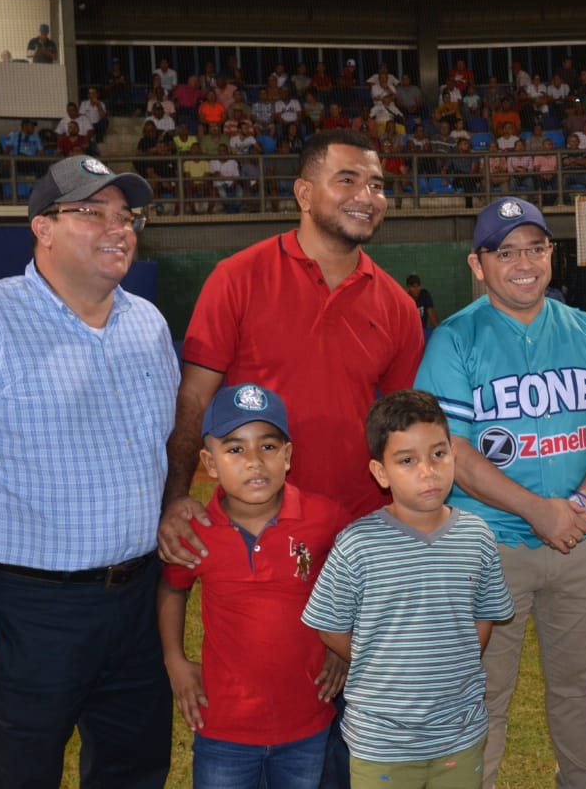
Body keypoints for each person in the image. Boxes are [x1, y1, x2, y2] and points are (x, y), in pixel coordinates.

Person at [158, 129, 425, 787]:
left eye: (378, 184)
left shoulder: (395, 304)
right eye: (348, 180)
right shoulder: (238, 277)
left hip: (354, 544)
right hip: (255, 529)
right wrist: (173, 498)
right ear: (303, 192)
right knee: (263, 689)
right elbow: (194, 400)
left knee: (346, 741)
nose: (368, 196)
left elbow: (404, 437)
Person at [0, 155, 177, 787]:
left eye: (126, 215)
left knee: (134, 771)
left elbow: (155, 446)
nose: (119, 228)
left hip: (135, 601)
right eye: (92, 212)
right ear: (43, 228)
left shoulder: (148, 324)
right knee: (20, 774)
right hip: (27, 608)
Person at [413, 196, 586, 789]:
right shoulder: (453, 339)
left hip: (578, 540)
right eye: (505, 251)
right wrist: (537, 510)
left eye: (534, 248)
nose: (523, 262)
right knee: (483, 694)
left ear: (551, 253)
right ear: (477, 264)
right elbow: (452, 453)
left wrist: (584, 503)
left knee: (576, 689)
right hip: (489, 547)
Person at [302, 389, 515, 789]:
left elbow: (485, 613)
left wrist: (456, 653)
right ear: (380, 473)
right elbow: (329, 626)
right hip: (381, 744)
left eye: (438, 454)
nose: (427, 471)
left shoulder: (477, 537)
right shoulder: (357, 544)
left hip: (459, 735)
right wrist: (378, 659)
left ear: (453, 452)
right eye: (407, 460)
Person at [158, 383, 345, 789]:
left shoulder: (324, 519)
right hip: (224, 728)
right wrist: (175, 660)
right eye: (235, 449)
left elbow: (356, 585)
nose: (254, 462)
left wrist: (343, 649)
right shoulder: (195, 532)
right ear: (209, 462)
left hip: (306, 723)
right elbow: (173, 589)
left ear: (288, 456)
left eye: (268, 446)